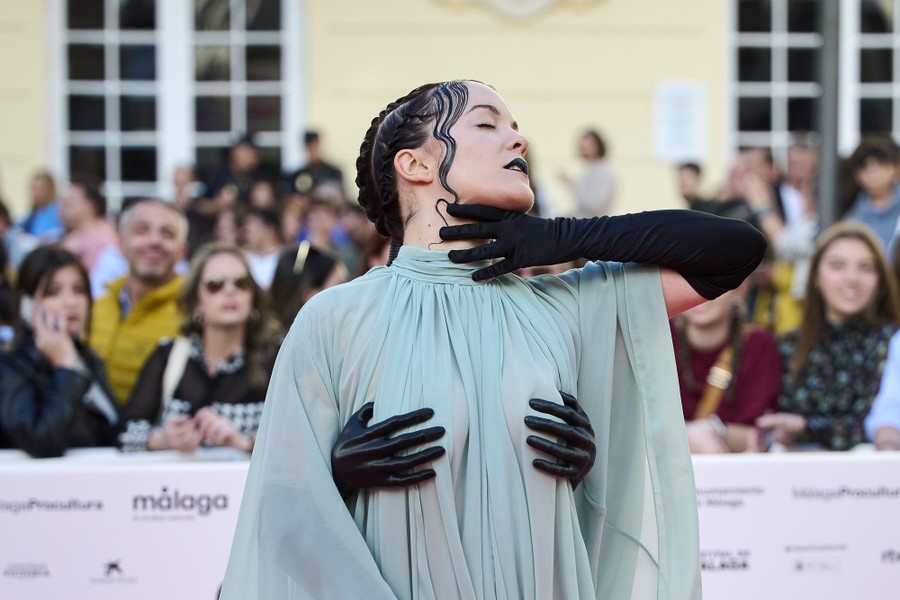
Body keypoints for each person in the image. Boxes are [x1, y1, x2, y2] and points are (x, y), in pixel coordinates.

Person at [221, 80, 766, 599]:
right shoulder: (334, 317)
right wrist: (335, 479)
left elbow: (733, 251)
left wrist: (558, 236)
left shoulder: (564, 306)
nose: (518, 139)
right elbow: (284, 504)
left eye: (516, 126)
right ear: (414, 164)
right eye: (487, 125)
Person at [119, 243, 279, 452]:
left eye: (241, 283)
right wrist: (163, 439)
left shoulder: (277, 358)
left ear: (253, 296)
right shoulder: (168, 354)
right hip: (174, 485)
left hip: (245, 484)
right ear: (196, 301)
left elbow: (297, 442)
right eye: (215, 284)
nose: (230, 291)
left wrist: (241, 443)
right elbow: (121, 431)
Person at [756, 221, 900, 451]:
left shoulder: (892, 342)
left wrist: (806, 427)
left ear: (880, 280)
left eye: (865, 267)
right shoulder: (787, 345)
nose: (851, 278)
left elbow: (883, 424)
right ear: (816, 276)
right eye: (837, 266)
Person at [0, 246, 119, 458]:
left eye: (79, 290)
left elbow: (112, 431)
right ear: (26, 303)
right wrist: (65, 367)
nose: (70, 302)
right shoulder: (10, 366)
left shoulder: (89, 359)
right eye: (53, 292)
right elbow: (41, 442)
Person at [88, 198, 187, 404]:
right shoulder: (96, 307)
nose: (154, 241)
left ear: (181, 251)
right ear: (121, 243)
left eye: (167, 234)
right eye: (142, 230)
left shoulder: (192, 313)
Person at [672, 283, 781, 453]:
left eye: (710, 278)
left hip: (734, 472)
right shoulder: (656, 338)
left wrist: (713, 430)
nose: (699, 291)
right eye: (687, 280)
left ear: (739, 289)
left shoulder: (758, 344)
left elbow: (758, 436)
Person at [844, 136, 900, 252]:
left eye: (881, 165)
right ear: (857, 175)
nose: (874, 173)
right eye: (865, 167)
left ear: (895, 168)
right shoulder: (852, 220)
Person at [560, 128, 615, 217]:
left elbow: (593, 204)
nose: (583, 150)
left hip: (594, 223)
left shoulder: (602, 171)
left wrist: (573, 185)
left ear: (597, 146)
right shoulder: (591, 169)